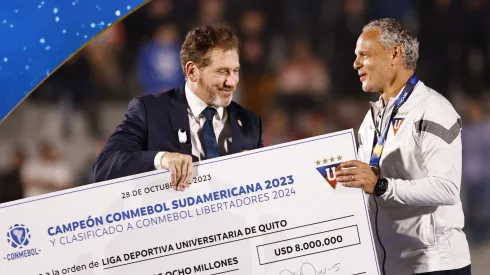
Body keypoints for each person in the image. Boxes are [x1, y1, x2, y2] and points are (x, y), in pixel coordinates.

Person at [335, 18, 471, 275]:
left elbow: (447, 188)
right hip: (390, 265)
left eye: (364, 55)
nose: (355, 64)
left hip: (434, 264)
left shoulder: (433, 108)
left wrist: (381, 185)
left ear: (394, 53)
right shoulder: (373, 117)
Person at [93, 23, 264, 191]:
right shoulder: (149, 111)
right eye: (222, 72)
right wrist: (161, 159)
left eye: (235, 71)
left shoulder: (250, 123)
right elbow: (105, 167)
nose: (232, 81)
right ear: (192, 72)